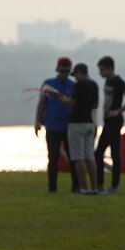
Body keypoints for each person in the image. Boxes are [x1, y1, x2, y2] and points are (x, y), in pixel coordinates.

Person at [34, 57, 79, 193]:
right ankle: (52, 187)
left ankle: (75, 187)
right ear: (58, 70)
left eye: (67, 71)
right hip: (52, 126)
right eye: (62, 70)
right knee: (52, 157)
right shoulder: (48, 84)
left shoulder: (73, 85)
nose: (64, 73)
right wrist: (37, 121)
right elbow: (42, 103)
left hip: (69, 126)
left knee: (73, 157)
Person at [95, 56, 125, 194]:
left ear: (111, 68)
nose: (100, 73)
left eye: (102, 70)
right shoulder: (107, 80)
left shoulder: (118, 82)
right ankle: (99, 185)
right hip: (107, 121)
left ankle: (114, 187)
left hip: (115, 121)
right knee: (98, 152)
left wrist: (118, 111)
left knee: (114, 154)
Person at [58, 63, 99, 195]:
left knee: (78, 157)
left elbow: (71, 102)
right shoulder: (94, 85)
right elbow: (96, 104)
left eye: (75, 75)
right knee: (90, 156)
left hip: (76, 124)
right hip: (89, 123)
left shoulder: (79, 85)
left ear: (80, 73)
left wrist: (62, 99)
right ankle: (94, 187)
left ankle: (83, 188)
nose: (75, 78)